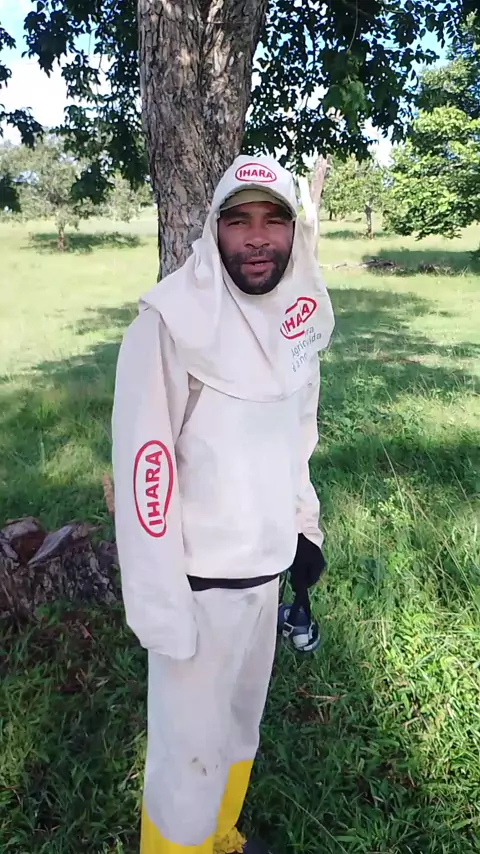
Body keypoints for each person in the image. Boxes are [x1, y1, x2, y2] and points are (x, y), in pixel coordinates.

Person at [112, 154, 335, 854]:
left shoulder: (296, 322)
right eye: (239, 220)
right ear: (214, 229)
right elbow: (146, 478)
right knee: (187, 756)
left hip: (264, 577)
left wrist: (304, 529)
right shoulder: (169, 325)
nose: (258, 237)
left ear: (293, 230)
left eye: (273, 219)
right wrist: (162, 608)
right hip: (199, 587)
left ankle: (221, 837)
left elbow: (298, 437)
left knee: (239, 728)